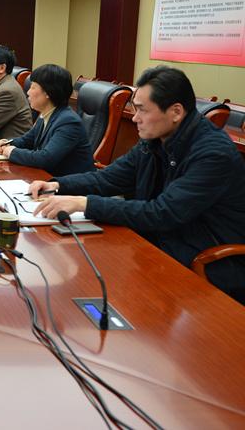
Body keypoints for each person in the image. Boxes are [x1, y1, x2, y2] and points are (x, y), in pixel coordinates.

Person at [29, 66, 245, 304]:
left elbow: (163, 213)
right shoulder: (155, 141)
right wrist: (57, 185)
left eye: (142, 109)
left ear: (175, 112)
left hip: (204, 262)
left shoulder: (213, 154)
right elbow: (108, 178)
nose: (134, 118)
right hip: (157, 244)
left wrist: (84, 203)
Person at [0, 64, 95, 176]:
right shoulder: (47, 114)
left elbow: (45, 159)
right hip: (47, 178)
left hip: (68, 183)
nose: (28, 92)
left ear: (48, 92)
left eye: (33, 87)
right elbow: (27, 140)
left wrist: (12, 151)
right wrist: (7, 143)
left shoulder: (68, 122)